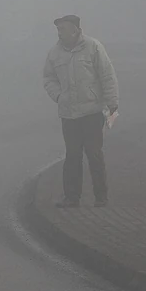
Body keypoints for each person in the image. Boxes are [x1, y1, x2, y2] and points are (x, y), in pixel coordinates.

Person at [43, 15, 118, 208]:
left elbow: (107, 75)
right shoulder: (54, 54)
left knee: (94, 154)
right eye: (58, 29)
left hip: (92, 111)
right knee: (72, 156)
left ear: (75, 30)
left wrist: (112, 103)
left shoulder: (93, 47)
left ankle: (101, 197)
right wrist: (59, 96)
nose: (59, 33)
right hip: (69, 114)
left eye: (63, 29)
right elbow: (48, 79)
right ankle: (71, 198)